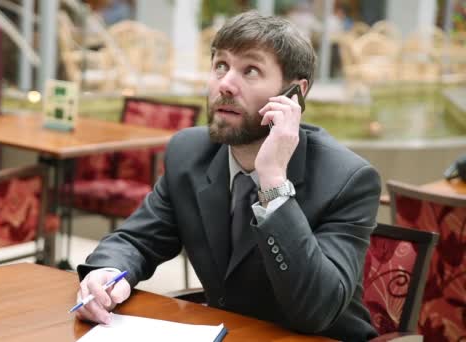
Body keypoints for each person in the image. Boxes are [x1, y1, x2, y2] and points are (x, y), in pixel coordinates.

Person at [74, 10, 381, 341]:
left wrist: (273, 182)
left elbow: (316, 311)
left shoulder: (348, 179)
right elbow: (138, 240)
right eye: (221, 66)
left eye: (250, 70)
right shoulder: (190, 153)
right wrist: (106, 275)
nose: (226, 84)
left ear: (295, 93)